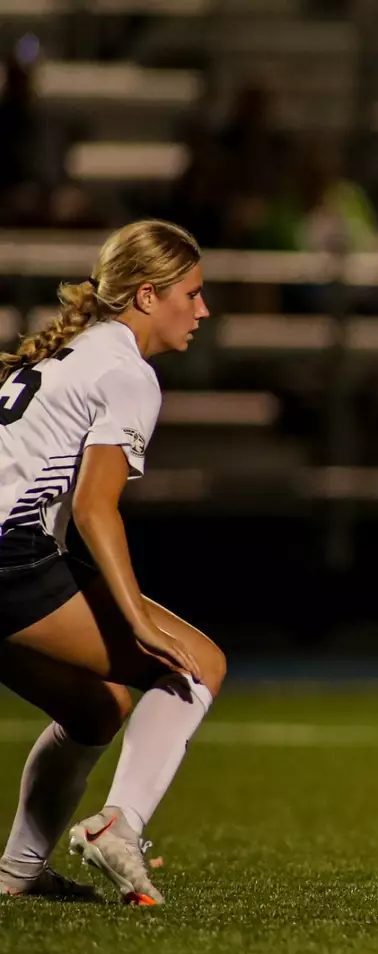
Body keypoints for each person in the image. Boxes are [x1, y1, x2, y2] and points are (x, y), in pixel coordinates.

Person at [0, 219, 223, 906]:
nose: (203, 310)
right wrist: (137, 621)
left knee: (95, 707)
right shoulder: (127, 372)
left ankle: (17, 875)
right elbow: (97, 509)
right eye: (193, 292)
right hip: (8, 559)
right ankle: (117, 827)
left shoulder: (70, 352)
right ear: (149, 295)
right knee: (198, 663)